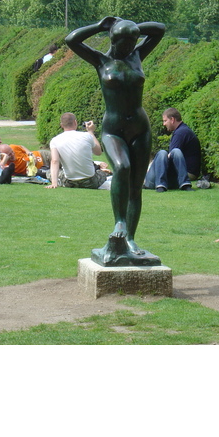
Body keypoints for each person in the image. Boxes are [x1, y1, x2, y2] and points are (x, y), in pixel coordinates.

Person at [64, 16, 165, 262]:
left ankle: (130, 238)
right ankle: (119, 222)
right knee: (122, 168)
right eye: (125, 42)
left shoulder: (137, 56)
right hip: (113, 130)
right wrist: (101, 26)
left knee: (135, 186)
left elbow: (160, 29)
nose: (129, 47)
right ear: (113, 40)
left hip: (141, 128)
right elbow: (72, 40)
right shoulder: (101, 61)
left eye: (133, 42)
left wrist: (132, 27)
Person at [144, 108, 201, 192]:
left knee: (163, 153)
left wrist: (151, 166)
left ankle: (160, 185)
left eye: (165, 121)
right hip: (186, 174)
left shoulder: (180, 133)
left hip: (186, 173)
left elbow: (170, 156)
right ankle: (184, 184)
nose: (164, 124)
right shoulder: (184, 130)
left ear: (172, 119)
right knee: (170, 152)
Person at [46, 113, 107, 189]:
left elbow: (55, 161)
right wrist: (91, 132)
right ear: (75, 122)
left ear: (61, 125)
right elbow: (98, 152)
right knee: (102, 173)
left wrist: (54, 183)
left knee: (48, 172)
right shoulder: (87, 136)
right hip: (91, 182)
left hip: (70, 182)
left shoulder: (55, 140)